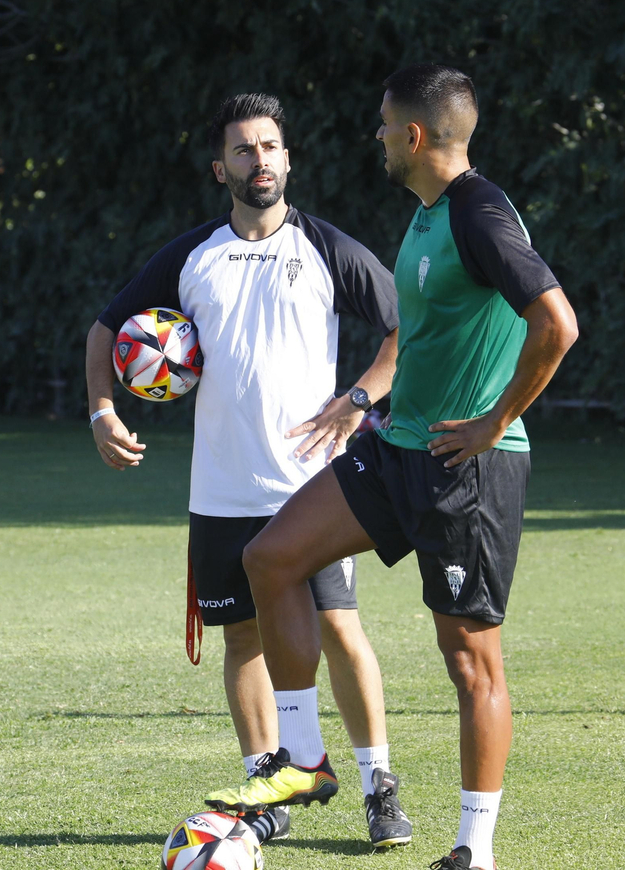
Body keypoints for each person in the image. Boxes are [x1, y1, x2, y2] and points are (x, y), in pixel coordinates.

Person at [201, 65, 579, 870]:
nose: (374, 136)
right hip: (396, 447)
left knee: (470, 661)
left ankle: (473, 849)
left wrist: (495, 420)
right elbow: (425, 339)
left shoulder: (479, 214)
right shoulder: (427, 213)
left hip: (465, 470)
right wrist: (371, 405)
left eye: (383, 126)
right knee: (270, 557)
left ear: (414, 136)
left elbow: (557, 322)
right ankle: (303, 763)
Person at [83, 93, 412, 851]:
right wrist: (104, 412)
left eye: (269, 146)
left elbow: (408, 326)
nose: (258, 159)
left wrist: (361, 397)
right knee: (242, 643)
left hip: (314, 489)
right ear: (218, 168)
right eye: (242, 149)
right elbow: (107, 328)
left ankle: (377, 785)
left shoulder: (326, 248)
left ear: (288, 159)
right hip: (221, 491)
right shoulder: (192, 256)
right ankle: (272, 785)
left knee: (339, 631)